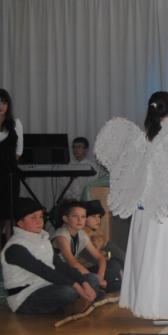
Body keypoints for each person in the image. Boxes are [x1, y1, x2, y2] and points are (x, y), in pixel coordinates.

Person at [94, 91, 168, 325]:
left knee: (144, 256)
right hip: (162, 209)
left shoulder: (141, 139)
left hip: (142, 209)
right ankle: (161, 310)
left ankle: (143, 303)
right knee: (161, 258)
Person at [0, 197, 98, 314]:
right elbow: (44, 271)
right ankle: (75, 303)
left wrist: (84, 283)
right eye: (33, 217)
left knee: (91, 279)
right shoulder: (15, 247)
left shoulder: (42, 238)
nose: (39, 221)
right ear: (20, 223)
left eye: (41, 217)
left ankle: (76, 302)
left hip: (49, 285)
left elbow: (60, 266)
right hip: (25, 296)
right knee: (68, 292)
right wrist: (77, 286)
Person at [52, 200, 121, 293]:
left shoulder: (81, 233)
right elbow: (73, 263)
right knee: (96, 281)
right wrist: (95, 279)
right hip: (64, 274)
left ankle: (99, 288)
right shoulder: (61, 236)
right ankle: (99, 289)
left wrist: (100, 277)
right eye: (75, 216)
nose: (80, 220)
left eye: (83, 217)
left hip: (77, 272)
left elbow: (99, 257)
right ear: (66, 218)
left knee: (114, 264)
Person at [0, 89, 23, 245]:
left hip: (9, 176)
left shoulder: (16, 123)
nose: (1, 106)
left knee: (9, 215)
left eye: (4, 102)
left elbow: (19, 152)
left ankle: (9, 250)